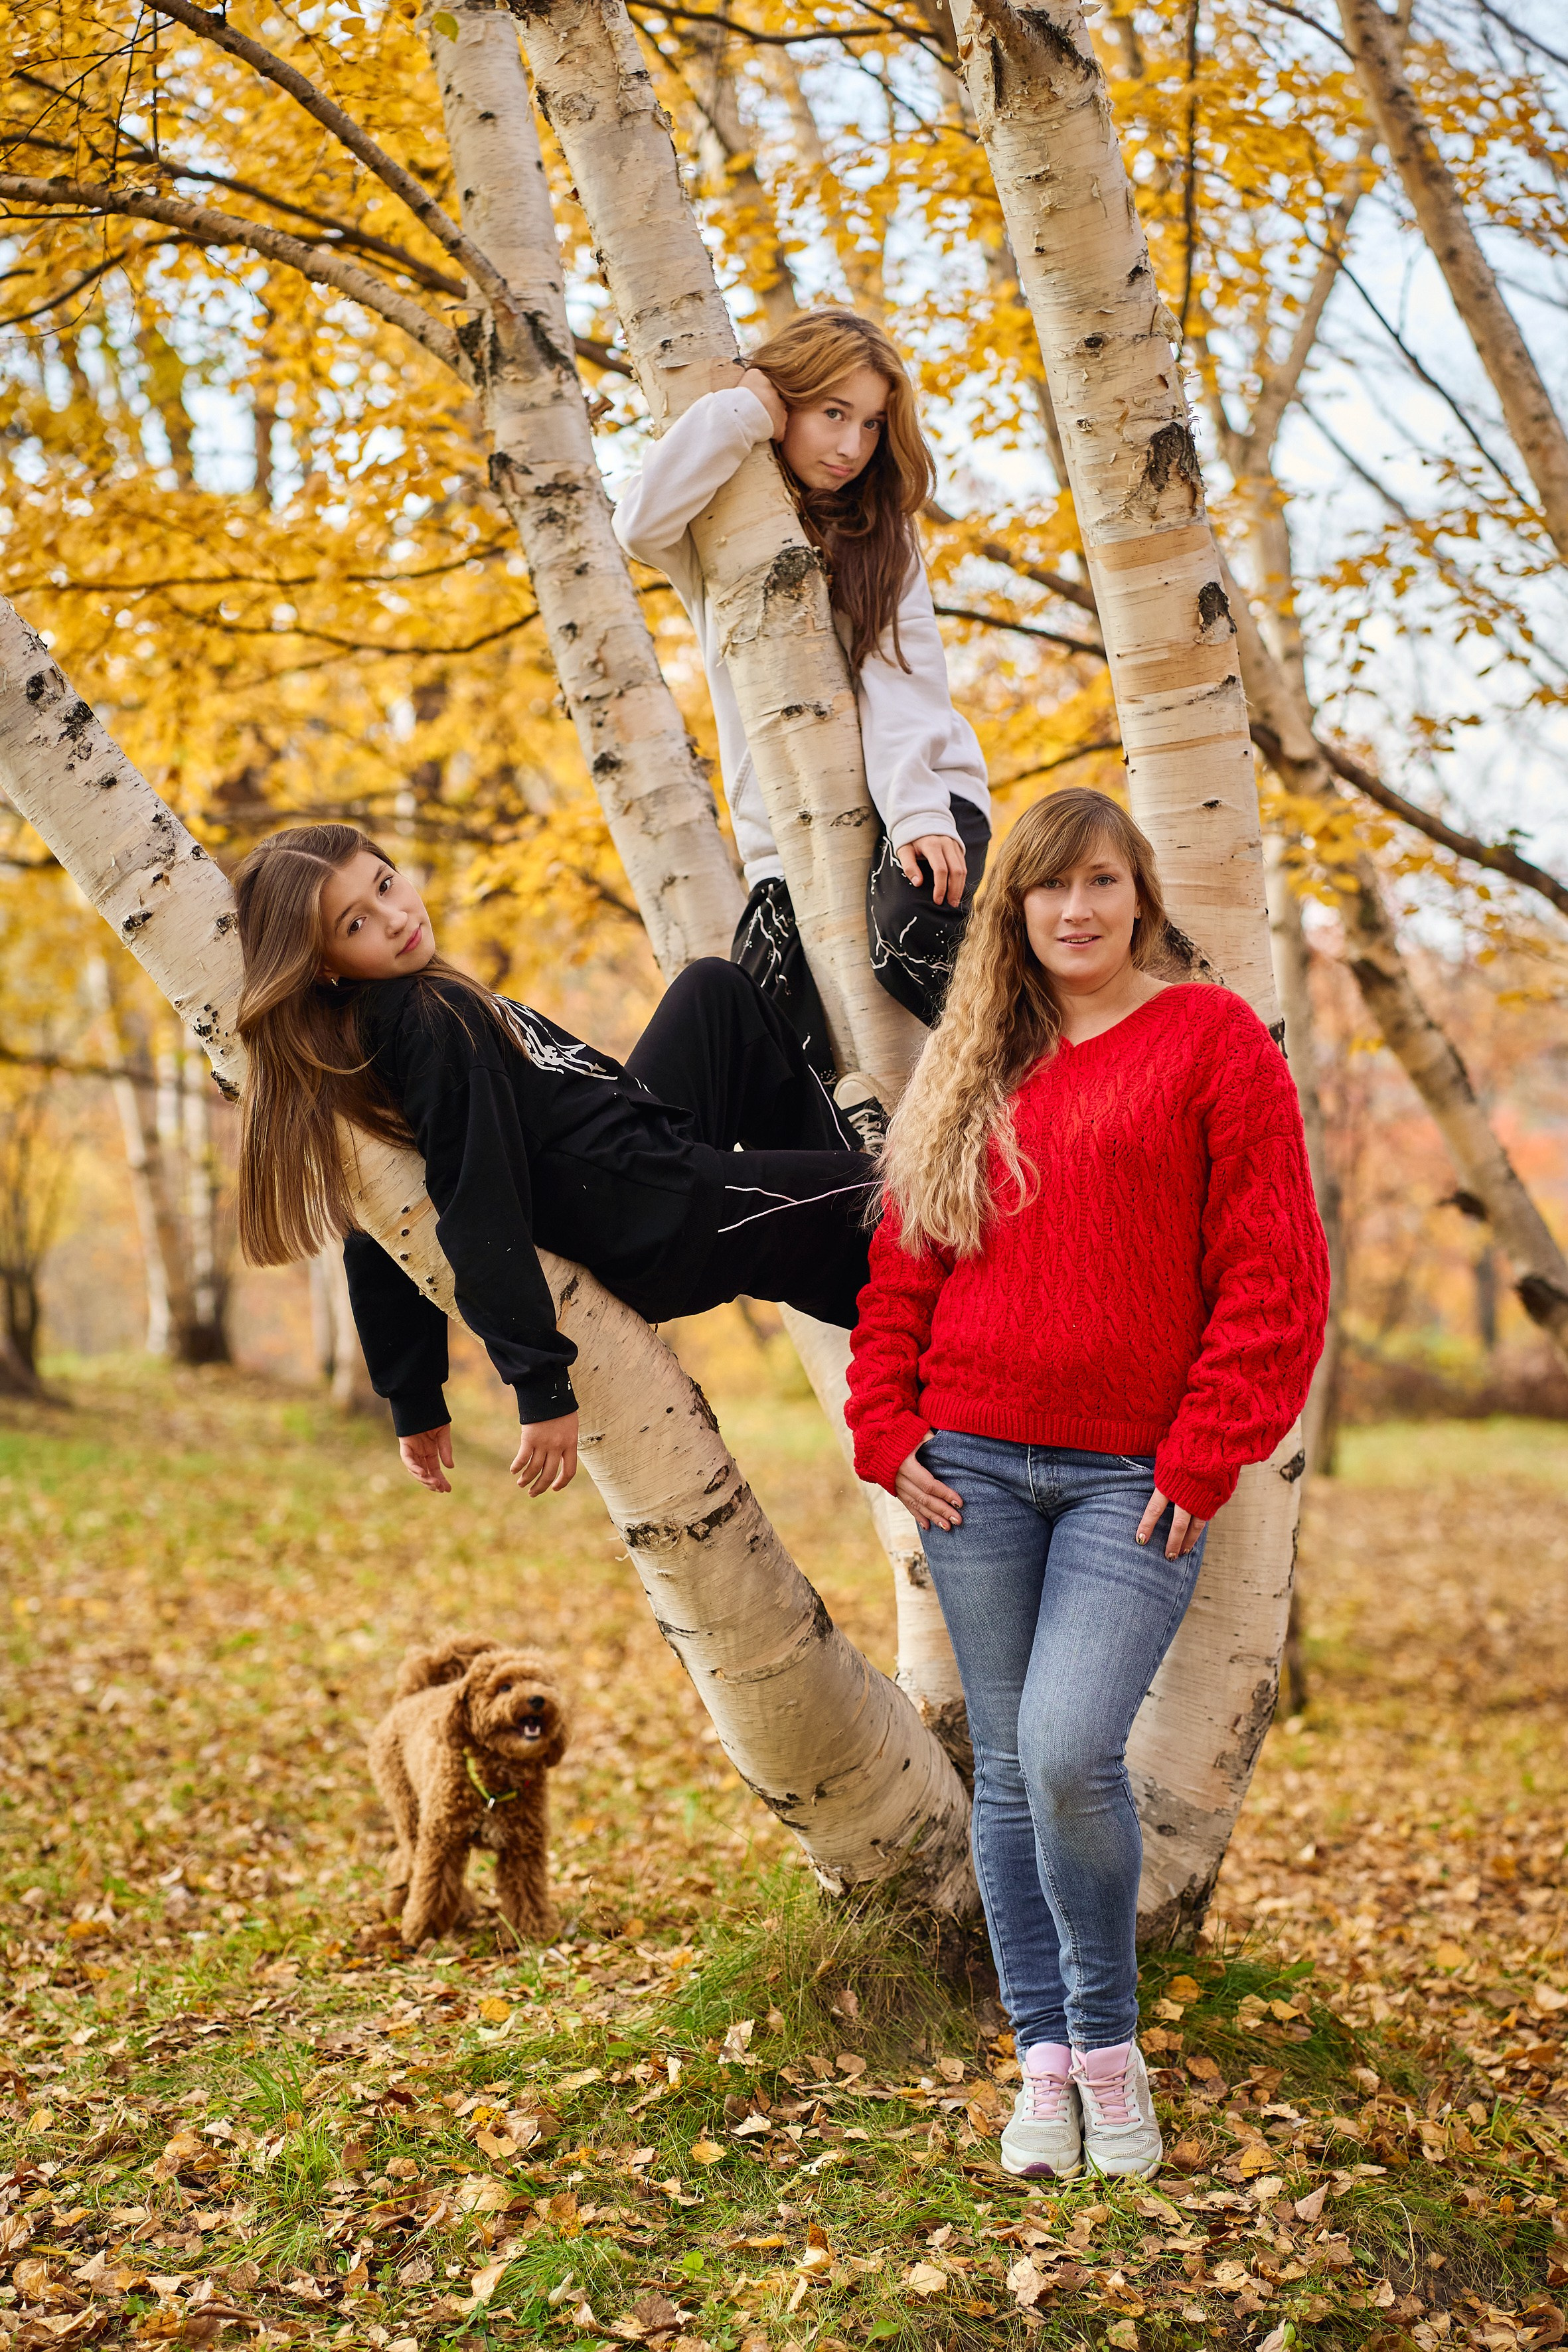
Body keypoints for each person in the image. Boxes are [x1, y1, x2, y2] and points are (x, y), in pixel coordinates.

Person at [845, 788, 1329, 2181]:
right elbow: (903, 1265)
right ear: (1011, 908)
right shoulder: (971, 1060)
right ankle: (1043, 2062)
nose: (1076, 908)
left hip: (1134, 1477)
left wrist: (1204, 1447)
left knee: (1064, 1752)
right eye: (1048, 887)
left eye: (1101, 881)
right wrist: (884, 1422)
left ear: (1139, 894)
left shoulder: (1210, 1038)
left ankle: (1110, 2051)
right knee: (1005, 1773)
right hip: (970, 1466)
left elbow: (1274, 1272)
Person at [234, 825, 876, 1498]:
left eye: (386, 884)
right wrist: (538, 1383)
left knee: (716, 991)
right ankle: (893, 1295)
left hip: (639, 1149)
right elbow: (475, 1200)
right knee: (885, 1203)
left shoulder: (376, 1024)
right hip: (658, 1216)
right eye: (357, 922)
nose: (394, 918)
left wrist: (412, 1395)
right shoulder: (431, 1019)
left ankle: (835, 1183)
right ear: (325, 966)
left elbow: (383, 1210)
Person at [612, 309, 991, 1089]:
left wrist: (918, 813)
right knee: (781, 1036)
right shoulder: (718, 529)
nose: (853, 446)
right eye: (833, 413)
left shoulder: (886, 535)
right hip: (789, 838)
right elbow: (639, 522)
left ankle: (1045, 1073)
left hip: (921, 799)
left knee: (904, 933)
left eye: (873, 424)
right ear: (787, 403)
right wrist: (743, 411)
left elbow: (905, 681)